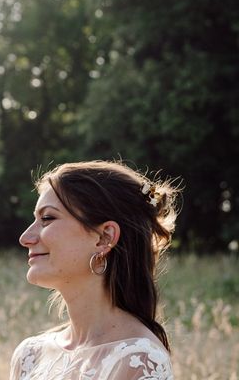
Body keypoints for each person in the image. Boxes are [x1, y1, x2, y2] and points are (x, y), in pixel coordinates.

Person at [10, 161, 178, 380]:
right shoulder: (29, 356)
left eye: (47, 218)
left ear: (104, 238)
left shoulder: (138, 360)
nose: (25, 238)